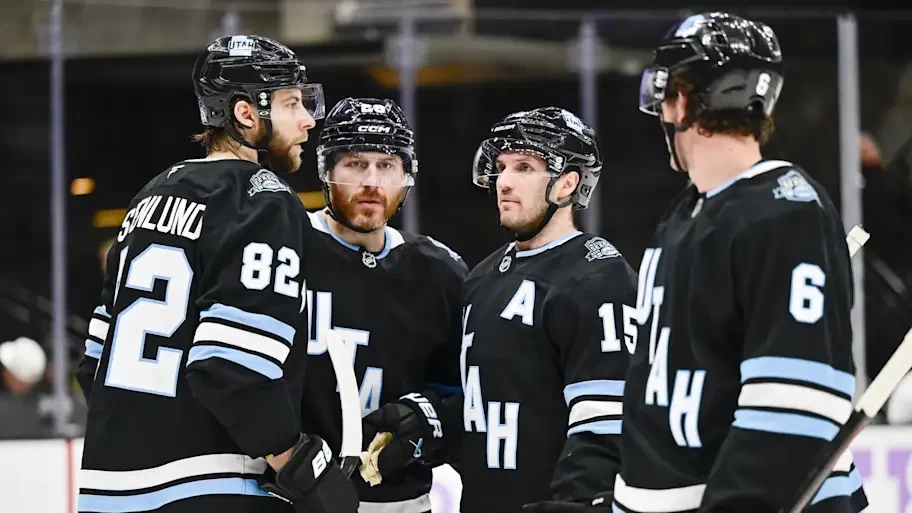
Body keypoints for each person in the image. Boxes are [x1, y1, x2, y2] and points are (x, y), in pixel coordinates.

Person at [74, 35, 358, 513]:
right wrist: (299, 464)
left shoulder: (152, 196)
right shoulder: (262, 199)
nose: (309, 120)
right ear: (247, 114)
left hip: (108, 490)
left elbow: (93, 365)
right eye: (291, 104)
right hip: (210, 488)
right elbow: (232, 368)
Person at [610, 12, 868, 513]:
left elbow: (794, 408)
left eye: (668, 93)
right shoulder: (684, 215)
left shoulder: (786, 212)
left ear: (684, 100)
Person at [374, 106, 636, 513]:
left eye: (524, 167)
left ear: (567, 183)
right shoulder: (482, 278)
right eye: (501, 167)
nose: (505, 181)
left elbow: (607, 423)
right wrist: (427, 421)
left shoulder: (598, 277)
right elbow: (494, 405)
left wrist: (582, 503)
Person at [298, 97, 467, 513]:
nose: (372, 181)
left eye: (387, 165)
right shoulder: (285, 247)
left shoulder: (440, 272)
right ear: (326, 170)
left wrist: (425, 419)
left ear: (406, 176)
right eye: (355, 164)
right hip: (287, 496)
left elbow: (468, 394)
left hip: (400, 501)